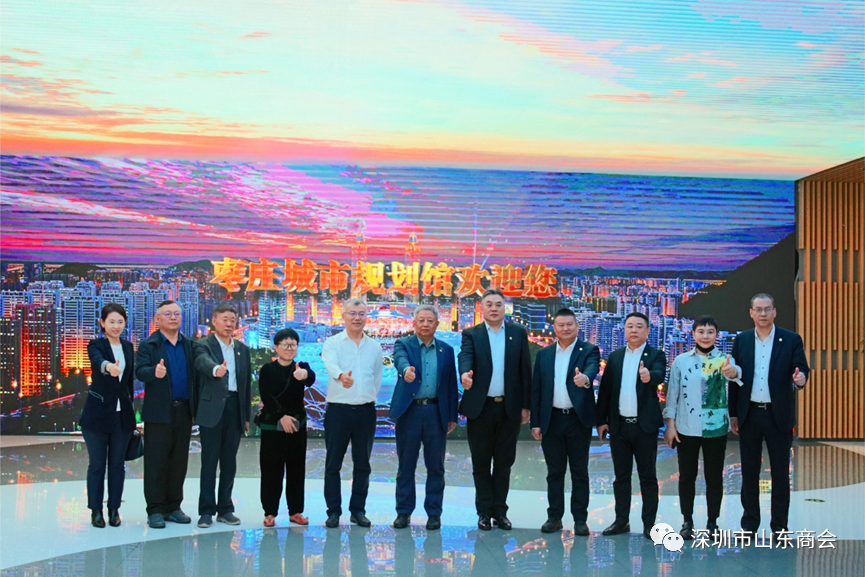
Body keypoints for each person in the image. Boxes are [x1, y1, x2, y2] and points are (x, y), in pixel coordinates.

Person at [724, 293, 809, 536]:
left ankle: (779, 527)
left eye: (767, 309)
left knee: (781, 474)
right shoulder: (742, 340)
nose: (763, 314)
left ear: (774, 312)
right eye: (758, 309)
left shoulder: (791, 339)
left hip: (777, 415)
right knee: (749, 472)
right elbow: (734, 378)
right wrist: (734, 414)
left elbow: (802, 369)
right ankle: (749, 525)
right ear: (751, 313)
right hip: (750, 414)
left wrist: (801, 379)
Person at [458, 289, 531, 531]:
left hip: (509, 409)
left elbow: (525, 370)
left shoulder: (518, 333)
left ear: (504, 308)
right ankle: (483, 512)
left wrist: (525, 406)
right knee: (480, 463)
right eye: (489, 304)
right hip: (481, 408)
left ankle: (500, 512)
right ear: (482, 307)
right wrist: (465, 374)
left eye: (498, 304)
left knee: (503, 464)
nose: (494, 308)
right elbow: (465, 357)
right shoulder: (472, 334)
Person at [596, 312, 666, 539]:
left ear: (647, 330)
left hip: (644, 428)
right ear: (624, 330)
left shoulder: (656, 355)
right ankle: (621, 521)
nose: (634, 330)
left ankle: (649, 524)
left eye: (639, 326)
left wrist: (648, 376)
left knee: (648, 477)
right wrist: (601, 421)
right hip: (619, 427)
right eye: (630, 326)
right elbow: (605, 391)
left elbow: (659, 375)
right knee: (621, 477)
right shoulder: (615, 357)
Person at [530, 308, 600, 535]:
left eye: (570, 324)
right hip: (552, 419)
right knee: (554, 472)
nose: (566, 328)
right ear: (555, 328)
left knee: (579, 471)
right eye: (561, 325)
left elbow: (592, 368)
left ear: (577, 326)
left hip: (577, 420)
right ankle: (554, 517)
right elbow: (537, 389)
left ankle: (580, 519)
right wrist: (536, 422)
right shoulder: (545, 354)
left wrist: (585, 379)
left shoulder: (589, 350)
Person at [390, 304, 459, 531]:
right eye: (421, 320)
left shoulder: (446, 350)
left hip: (435, 412)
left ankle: (434, 514)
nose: (426, 324)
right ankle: (403, 512)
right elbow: (400, 359)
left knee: (436, 466)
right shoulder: (403, 344)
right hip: (410, 412)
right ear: (414, 323)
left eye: (430, 321)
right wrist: (406, 370)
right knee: (406, 465)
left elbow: (450, 385)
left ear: (437, 324)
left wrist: (451, 415)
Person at [664, 315, 733, 539]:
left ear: (717, 335)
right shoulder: (681, 361)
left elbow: (736, 376)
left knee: (714, 477)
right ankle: (687, 521)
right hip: (686, 428)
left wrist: (734, 372)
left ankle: (712, 522)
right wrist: (671, 425)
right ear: (693, 334)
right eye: (701, 331)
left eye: (710, 332)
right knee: (687, 476)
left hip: (715, 428)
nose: (705, 336)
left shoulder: (724, 360)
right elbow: (672, 395)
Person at [320, 298, 383, 528]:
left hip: (366, 412)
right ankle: (333, 512)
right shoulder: (333, 343)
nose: (357, 318)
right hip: (338, 411)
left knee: (363, 464)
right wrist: (340, 376)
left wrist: (366, 396)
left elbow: (377, 377)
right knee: (333, 464)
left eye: (361, 314)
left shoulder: (374, 347)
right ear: (343, 316)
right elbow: (329, 364)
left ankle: (358, 510)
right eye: (352, 313)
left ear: (367, 317)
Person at [135, 300, 197, 529]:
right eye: (168, 314)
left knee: (178, 462)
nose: (173, 318)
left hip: (184, 411)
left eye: (177, 314)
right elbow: (139, 372)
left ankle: (174, 507)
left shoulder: (189, 345)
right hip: (159, 412)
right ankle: (155, 510)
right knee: (156, 462)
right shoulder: (149, 345)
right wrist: (154, 371)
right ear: (158, 319)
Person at [193, 303, 252, 528]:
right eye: (225, 319)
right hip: (212, 409)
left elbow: (246, 385)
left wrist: (246, 416)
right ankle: (206, 510)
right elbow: (201, 361)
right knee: (209, 461)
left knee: (229, 462)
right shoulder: (203, 345)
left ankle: (225, 509)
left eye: (232, 320)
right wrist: (215, 369)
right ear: (214, 321)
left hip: (235, 407)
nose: (229, 324)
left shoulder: (242, 349)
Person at [80, 303, 136, 528]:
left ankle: (114, 509)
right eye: (111, 322)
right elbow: (97, 361)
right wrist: (108, 367)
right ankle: (96, 510)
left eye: (120, 322)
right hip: (97, 415)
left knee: (117, 465)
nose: (116, 326)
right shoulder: (96, 345)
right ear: (102, 323)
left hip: (122, 417)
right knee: (97, 464)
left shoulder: (128, 347)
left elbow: (129, 383)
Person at [257, 328, 316, 527]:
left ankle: (296, 511)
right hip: (273, 424)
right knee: (271, 468)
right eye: (285, 344)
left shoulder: (301, 366)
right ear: (276, 347)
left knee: (296, 468)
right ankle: (269, 512)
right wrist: (281, 416)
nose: (289, 348)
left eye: (293, 345)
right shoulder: (267, 369)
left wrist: (304, 374)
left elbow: (311, 378)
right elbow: (266, 396)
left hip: (297, 424)